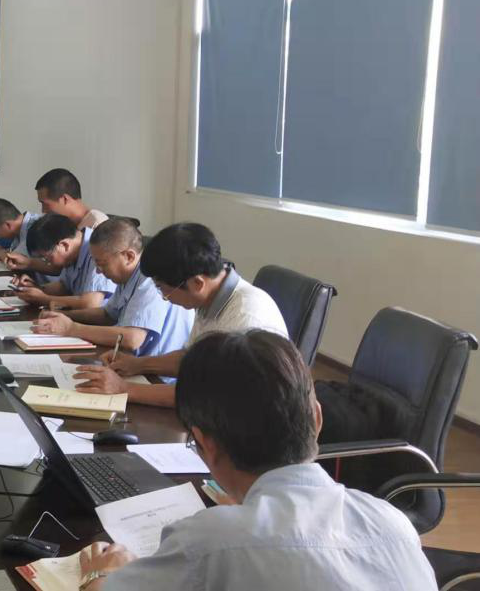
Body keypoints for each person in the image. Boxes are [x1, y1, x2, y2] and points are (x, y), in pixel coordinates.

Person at [77, 330, 437, 591]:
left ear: (205, 443)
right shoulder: (394, 524)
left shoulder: (209, 542)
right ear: (316, 419)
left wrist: (101, 574)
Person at [73, 222, 288, 406]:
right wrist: (138, 364)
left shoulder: (244, 319)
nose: (164, 297)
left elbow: (205, 396)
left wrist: (123, 388)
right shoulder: (210, 298)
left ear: (197, 283)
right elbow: (189, 359)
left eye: (163, 289)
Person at [31, 218, 192, 358]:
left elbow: (132, 339)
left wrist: (72, 328)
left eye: (102, 264)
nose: (98, 271)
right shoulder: (126, 276)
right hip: (130, 361)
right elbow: (107, 315)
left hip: (155, 374)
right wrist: (63, 316)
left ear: (128, 256)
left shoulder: (149, 279)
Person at [10, 213, 117, 310]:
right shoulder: (72, 254)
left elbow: (90, 304)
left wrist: (44, 299)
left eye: (47, 258)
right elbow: (64, 287)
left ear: (64, 245)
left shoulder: (97, 250)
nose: (47, 263)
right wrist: (36, 288)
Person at [34, 168, 109, 231]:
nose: (43, 211)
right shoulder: (66, 227)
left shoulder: (98, 226)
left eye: (45, 204)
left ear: (65, 199)